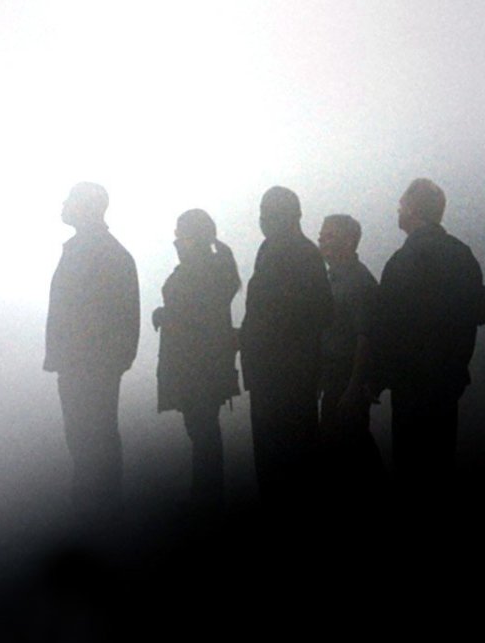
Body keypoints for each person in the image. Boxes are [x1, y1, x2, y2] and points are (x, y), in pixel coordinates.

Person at [371, 178, 485, 500]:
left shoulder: (403, 260)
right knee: (439, 463)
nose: (397, 211)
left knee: (410, 467)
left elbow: (385, 323)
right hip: (448, 379)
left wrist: (375, 377)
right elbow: (483, 309)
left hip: (409, 381)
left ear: (413, 210)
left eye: (401, 205)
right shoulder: (460, 253)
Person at [44, 182, 140, 516]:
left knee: (91, 441)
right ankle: (97, 512)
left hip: (87, 364)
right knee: (90, 440)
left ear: (85, 207)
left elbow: (120, 316)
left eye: (70, 199)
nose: (63, 203)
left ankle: (97, 515)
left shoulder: (99, 253)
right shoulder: (106, 252)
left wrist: (104, 359)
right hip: (86, 363)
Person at [240, 187, 333, 510]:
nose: (262, 220)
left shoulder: (298, 254)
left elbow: (321, 311)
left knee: (286, 462)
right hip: (278, 374)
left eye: (267, 213)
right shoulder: (281, 250)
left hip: (287, 376)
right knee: (277, 461)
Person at [152, 209, 242, 507]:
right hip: (205, 364)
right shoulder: (213, 267)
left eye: (180, 234)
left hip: (195, 366)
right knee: (203, 431)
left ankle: (207, 500)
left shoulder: (200, 269)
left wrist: (166, 315)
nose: (176, 240)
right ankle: (207, 496)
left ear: (192, 236)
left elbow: (195, 316)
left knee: (202, 432)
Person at [316, 214, 384, 499]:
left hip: (346, 377)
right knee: (344, 445)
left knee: (348, 445)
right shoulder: (333, 278)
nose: (321, 240)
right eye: (322, 234)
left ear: (348, 241)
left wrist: (354, 387)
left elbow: (365, 337)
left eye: (329, 235)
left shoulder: (358, 282)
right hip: (334, 377)